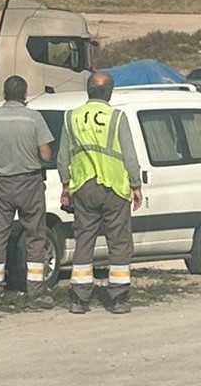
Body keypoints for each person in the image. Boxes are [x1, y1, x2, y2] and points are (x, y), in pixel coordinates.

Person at [58, 71, 143, 314]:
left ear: (88, 91)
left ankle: (79, 299)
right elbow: (129, 155)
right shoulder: (117, 117)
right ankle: (118, 299)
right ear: (110, 93)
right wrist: (136, 185)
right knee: (119, 241)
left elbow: (63, 157)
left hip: (84, 187)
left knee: (84, 240)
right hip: (114, 187)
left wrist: (66, 185)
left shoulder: (71, 117)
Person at [0, 75, 55, 302]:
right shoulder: (34, 118)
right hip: (29, 183)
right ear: (25, 94)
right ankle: (35, 291)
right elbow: (46, 154)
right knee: (35, 236)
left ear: (4, 93)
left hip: (1, 183)